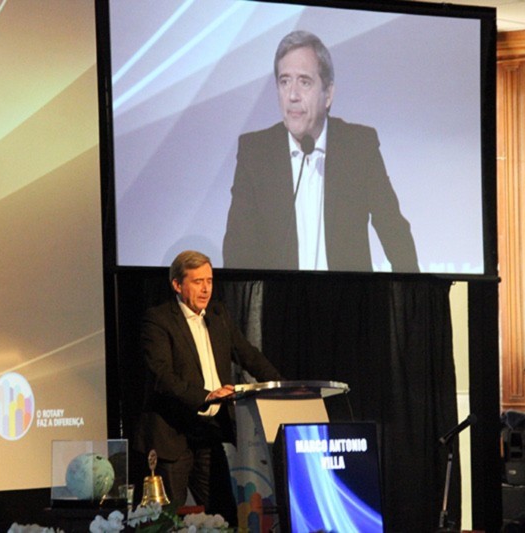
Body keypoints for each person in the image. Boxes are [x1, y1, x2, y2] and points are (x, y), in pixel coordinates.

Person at [222, 30, 419, 273]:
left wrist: (412, 290)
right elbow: (237, 250)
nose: (292, 95)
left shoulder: (358, 147)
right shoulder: (256, 153)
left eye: (304, 82)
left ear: (328, 94)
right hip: (281, 296)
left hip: (346, 294)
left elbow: (394, 231)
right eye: (285, 81)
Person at [133, 250, 282, 523]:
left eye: (210, 281)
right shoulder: (159, 319)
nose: (206, 289)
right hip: (171, 435)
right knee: (164, 522)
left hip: (207, 434)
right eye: (197, 281)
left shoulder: (218, 315)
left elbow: (248, 354)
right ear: (177, 285)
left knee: (225, 517)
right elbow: (161, 375)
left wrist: (280, 385)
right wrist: (206, 396)